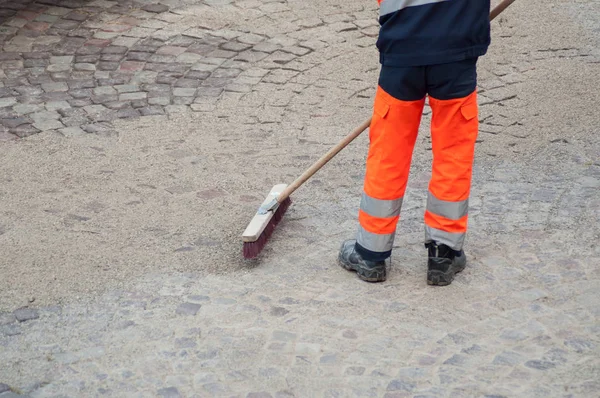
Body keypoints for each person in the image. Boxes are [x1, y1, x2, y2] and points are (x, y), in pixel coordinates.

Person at [339, 0, 491, 285]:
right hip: (456, 51)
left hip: (403, 49)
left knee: (388, 152)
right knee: (453, 153)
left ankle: (371, 253)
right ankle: (443, 254)